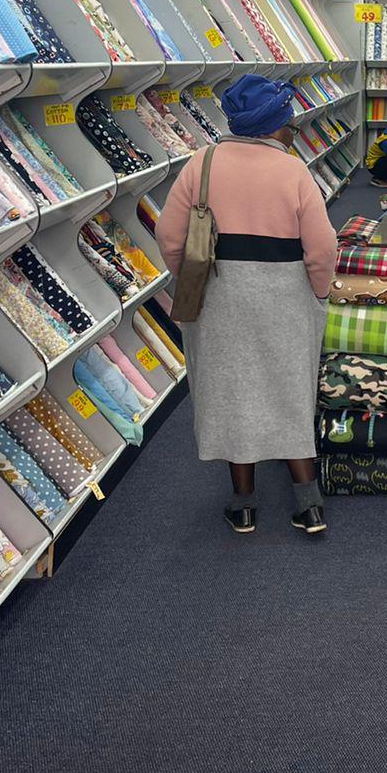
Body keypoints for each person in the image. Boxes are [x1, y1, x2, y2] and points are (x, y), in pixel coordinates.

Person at [156, 73, 339, 536]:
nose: (293, 131)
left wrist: (194, 279)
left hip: (220, 296)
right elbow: (322, 248)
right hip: (285, 295)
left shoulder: (202, 163)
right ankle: (309, 505)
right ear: (275, 125)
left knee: (231, 393)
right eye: (290, 123)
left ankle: (243, 507)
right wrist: (318, 292)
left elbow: (170, 236)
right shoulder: (293, 171)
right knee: (290, 389)